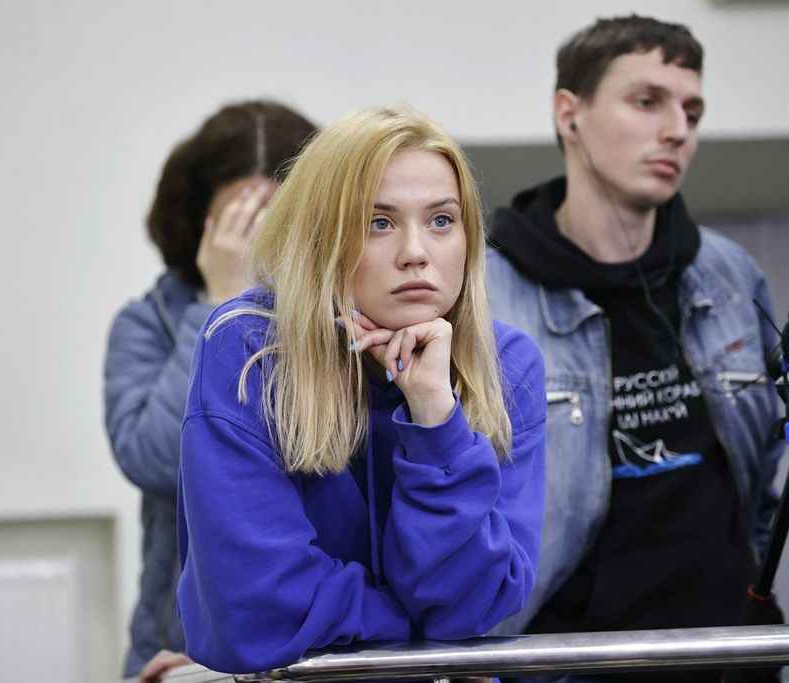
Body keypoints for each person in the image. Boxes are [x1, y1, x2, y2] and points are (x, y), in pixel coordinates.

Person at [175, 106, 546, 674]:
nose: (416, 252)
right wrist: (420, 637)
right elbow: (257, 610)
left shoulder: (507, 365)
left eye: (441, 220)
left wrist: (435, 418)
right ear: (321, 237)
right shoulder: (248, 349)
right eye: (379, 223)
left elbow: (476, 605)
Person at [485, 15, 785, 682]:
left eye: (692, 111)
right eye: (647, 101)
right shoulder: (485, 291)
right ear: (569, 113)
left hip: (729, 657)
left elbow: (764, 473)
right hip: (561, 664)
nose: (677, 130)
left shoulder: (728, 274)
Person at [103, 100, 317, 680]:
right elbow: (155, 461)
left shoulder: (339, 317)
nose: (258, 240)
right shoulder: (147, 323)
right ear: (201, 222)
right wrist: (222, 304)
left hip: (316, 641)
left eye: (275, 217)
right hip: (182, 652)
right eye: (239, 220)